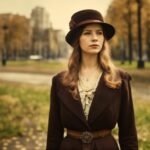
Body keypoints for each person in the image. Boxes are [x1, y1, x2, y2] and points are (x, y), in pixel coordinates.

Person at [46, 9, 138, 150]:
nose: (95, 38)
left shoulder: (120, 79)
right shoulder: (59, 81)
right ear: (77, 39)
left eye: (99, 33)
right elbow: (54, 132)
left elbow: (128, 132)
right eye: (87, 33)